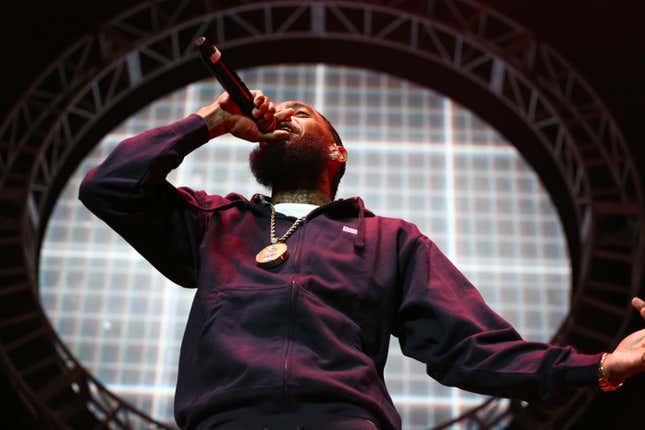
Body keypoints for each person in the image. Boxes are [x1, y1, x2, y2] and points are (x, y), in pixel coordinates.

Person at [79, 90, 645, 430]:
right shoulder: (216, 225)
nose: (284, 115)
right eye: (281, 113)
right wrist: (210, 122)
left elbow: (471, 348)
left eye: (303, 113)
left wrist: (598, 367)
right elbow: (109, 186)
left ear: (336, 151)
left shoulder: (390, 241)